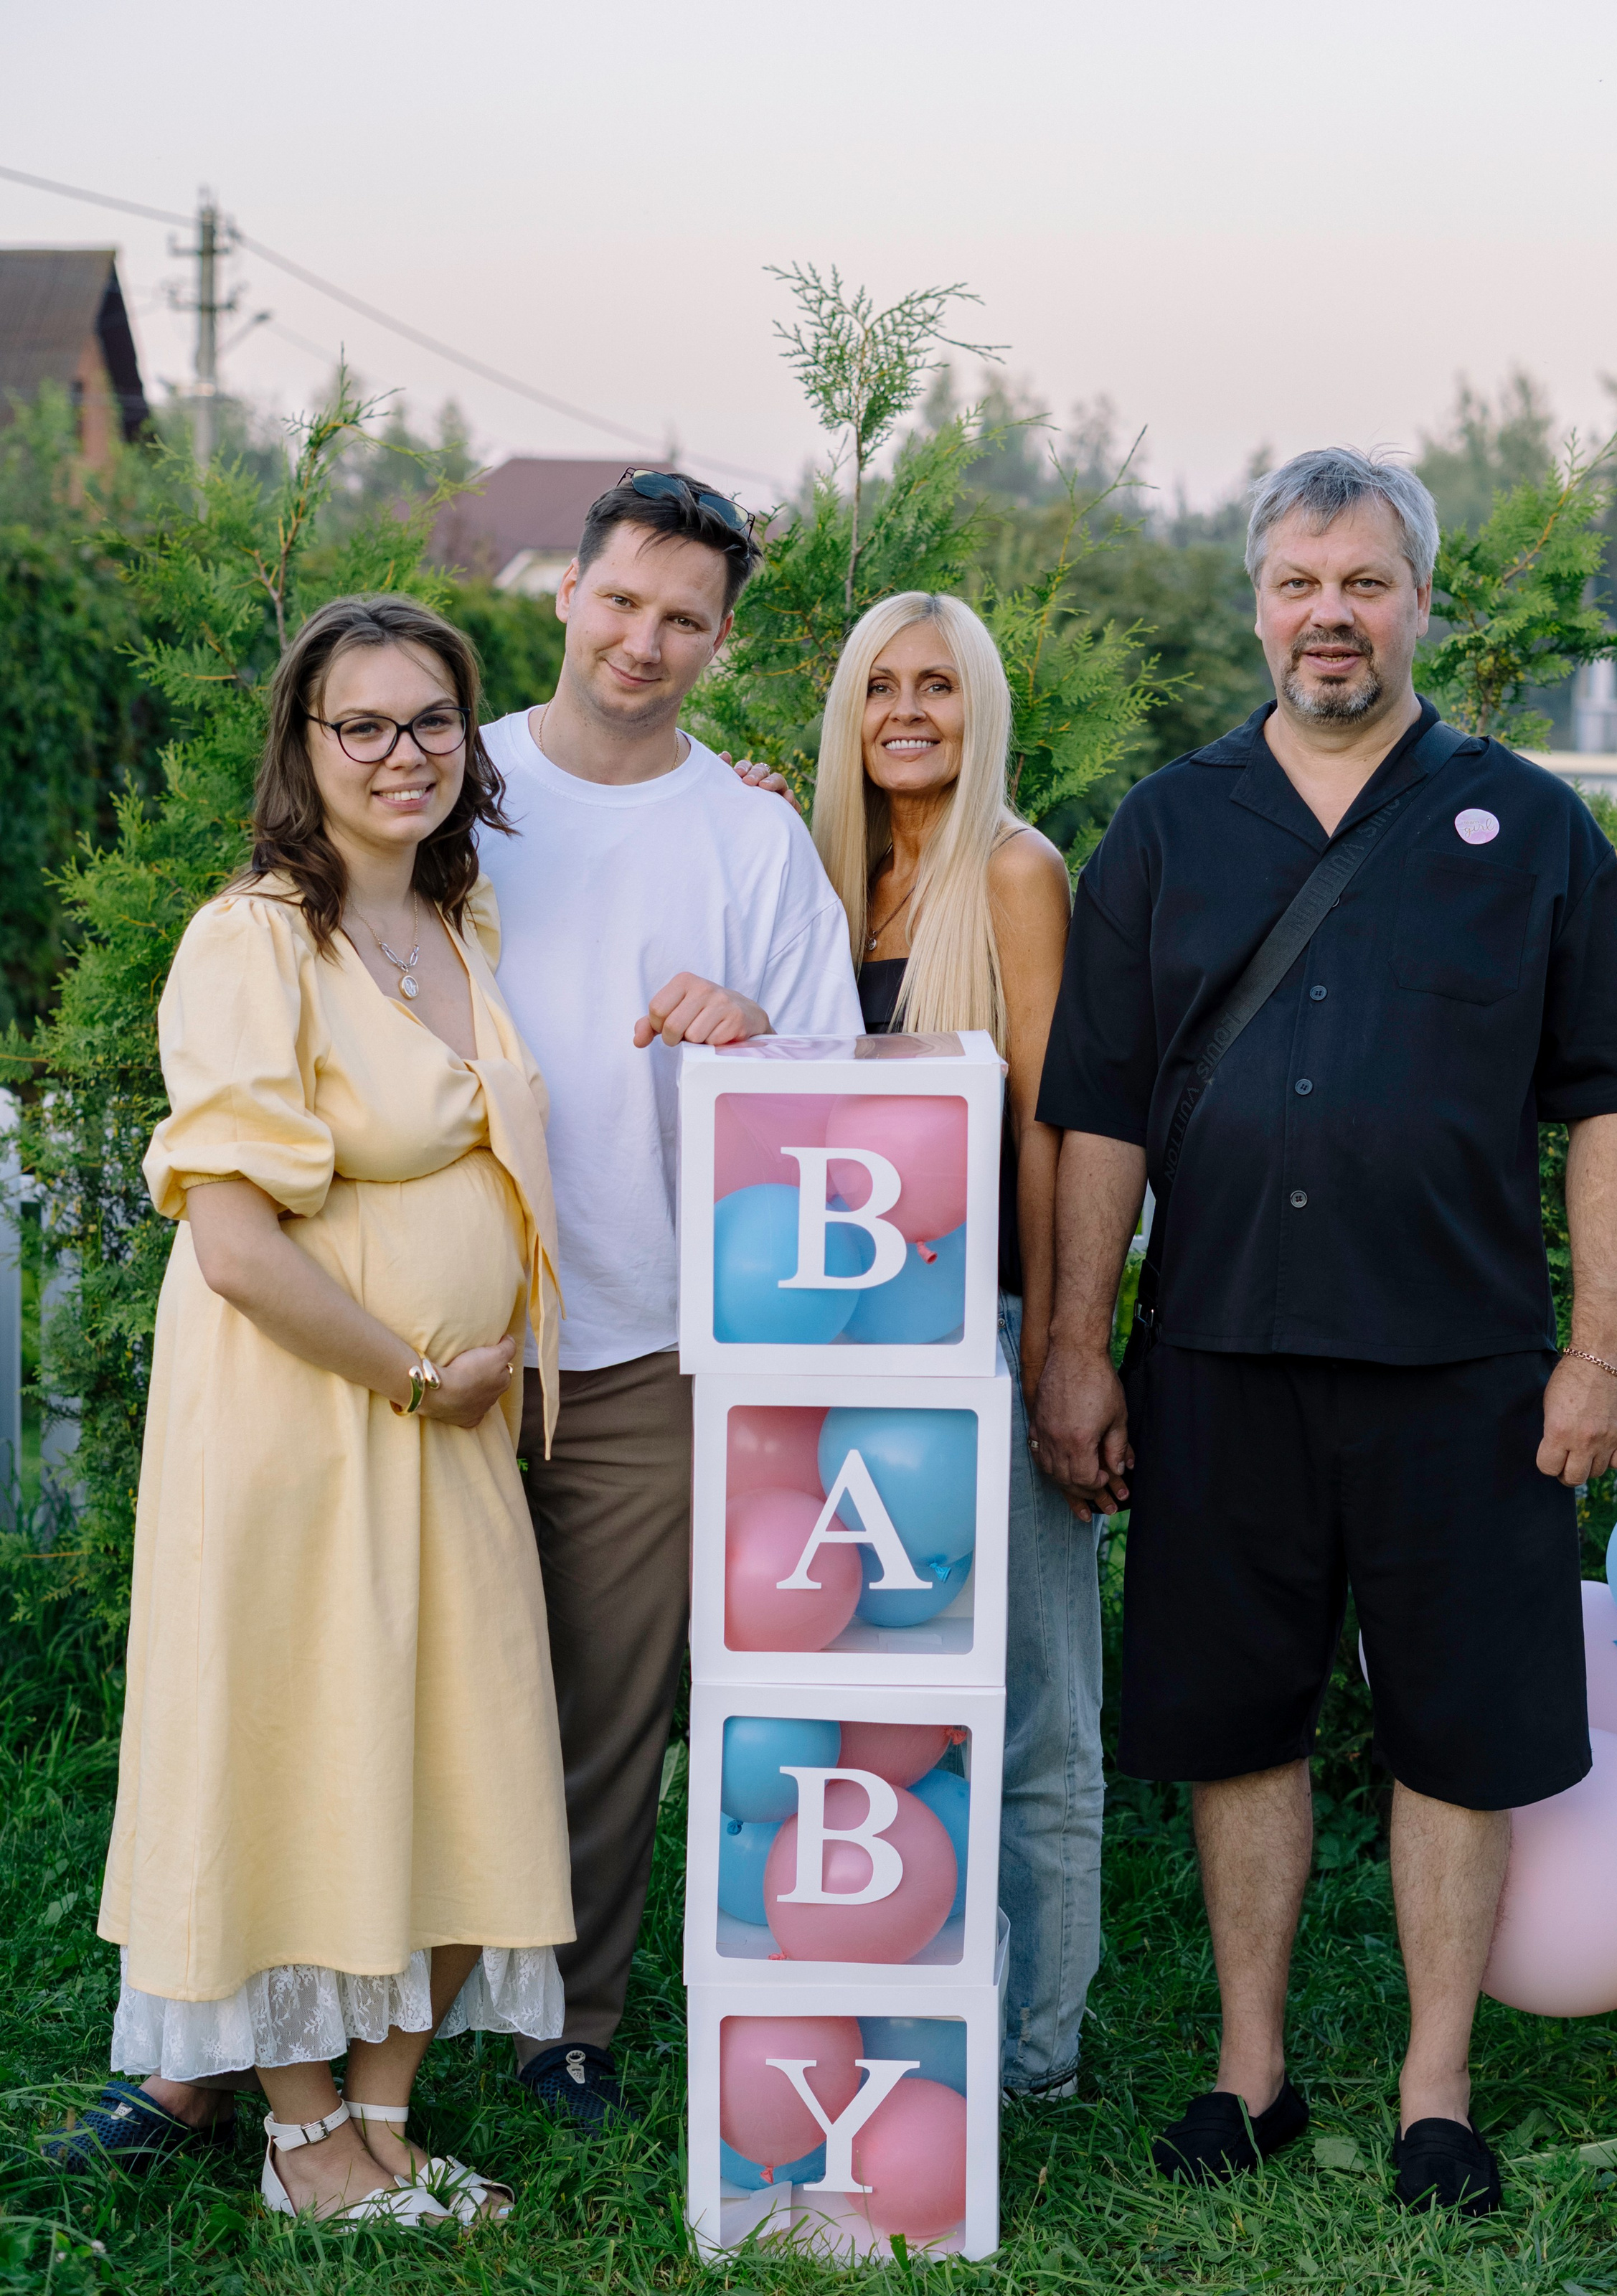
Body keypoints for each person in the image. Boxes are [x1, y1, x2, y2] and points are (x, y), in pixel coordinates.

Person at [1032, 448, 1617, 2215]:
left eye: (1364, 582)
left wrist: (1595, 1347)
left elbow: (1608, 1104)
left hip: (1461, 1364)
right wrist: (1075, 1342)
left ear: (1416, 602)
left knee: (1455, 1729)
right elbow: (1095, 1113)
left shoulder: (1525, 824)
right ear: (1255, 601)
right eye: (1299, 581)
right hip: (1218, 1351)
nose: (1330, 614)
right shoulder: (1167, 826)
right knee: (1235, 1720)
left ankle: (1432, 2092)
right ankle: (1250, 2073)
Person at [53, 596, 574, 2222]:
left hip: (452, 1423)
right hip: (308, 1421)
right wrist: (416, 1371)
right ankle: (300, 2140)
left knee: (467, 1746)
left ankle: (385, 2114)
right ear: (303, 744)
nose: (403, 753)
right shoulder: (254, 938)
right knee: (292, 1748)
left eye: (432, 721)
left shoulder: (456, 925)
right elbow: (229, 1240)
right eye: (364, 724)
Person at [476, 471, 862, 2127]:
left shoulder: (750, 836)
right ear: (567, 592)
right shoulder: (451, 777)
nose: (643, 641)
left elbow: (839, 1107)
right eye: (621, 601)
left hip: (642, 1341)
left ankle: (568, 2022)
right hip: (427, 1330)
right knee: (400, 1678)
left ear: (720, 640)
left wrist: (747, 1035)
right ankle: (356, 2009)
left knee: (606, 1704)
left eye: (682, 619)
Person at [807, 590, 1100, 2100]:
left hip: (980, 1340)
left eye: (938, 685)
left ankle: (1034, 2052)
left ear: (979, 707)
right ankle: (863, 2013)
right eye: (878, 686)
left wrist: (1058, 1347)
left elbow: (1054, 1132)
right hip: (828, 1358)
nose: (907, 710)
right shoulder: (816, 877)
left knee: (1038, 1705)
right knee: (859, 1707)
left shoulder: (1013, 872)